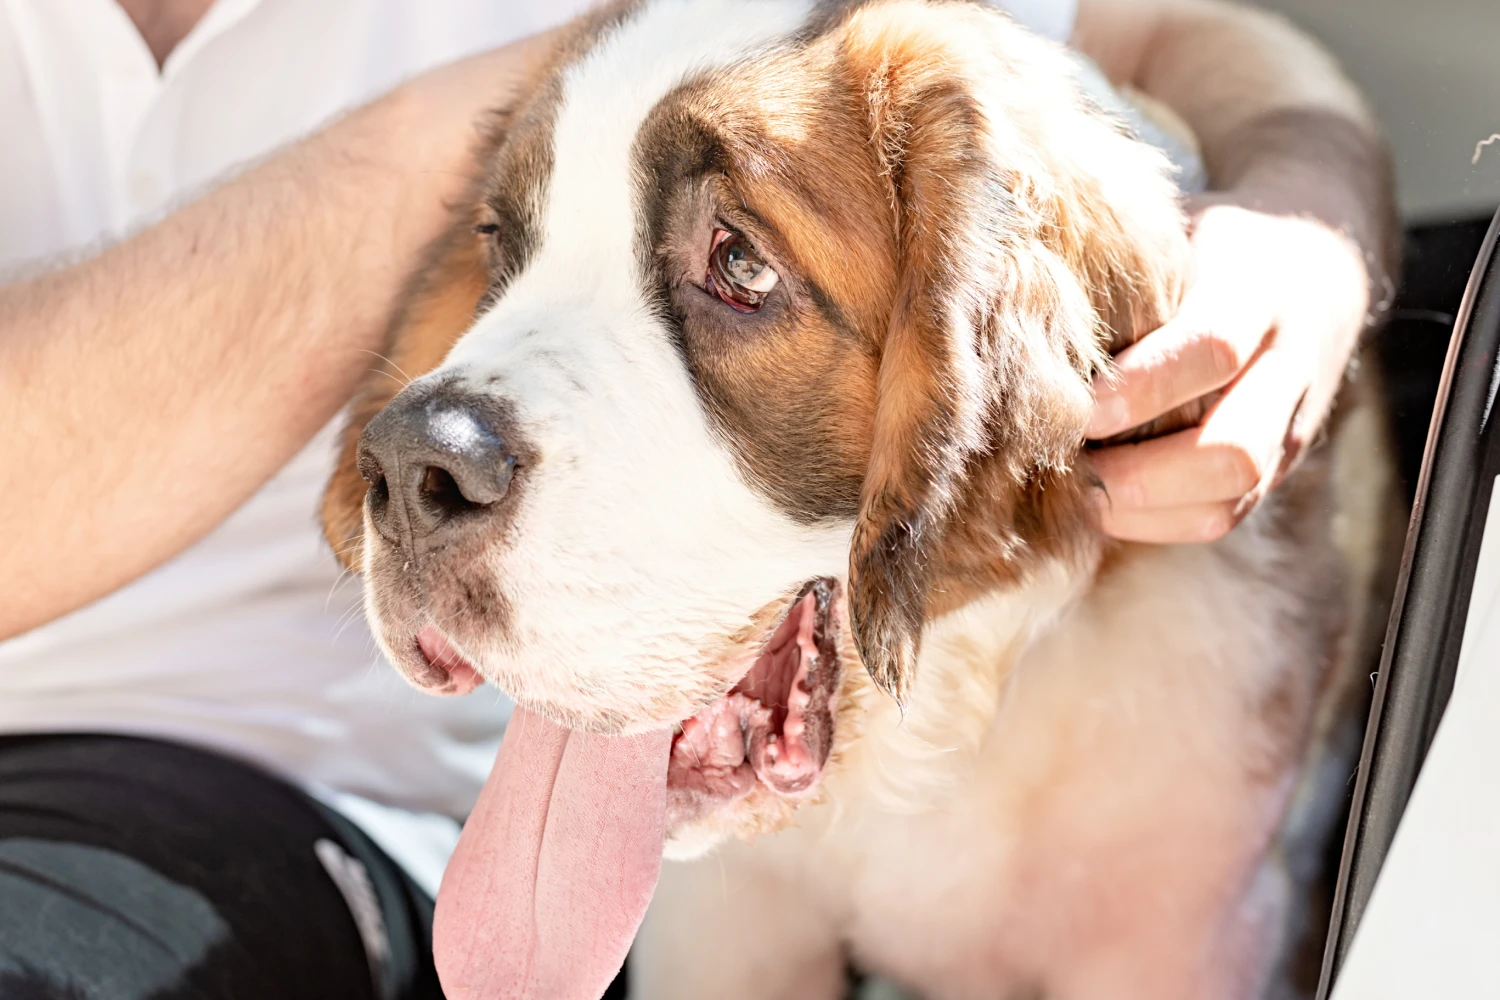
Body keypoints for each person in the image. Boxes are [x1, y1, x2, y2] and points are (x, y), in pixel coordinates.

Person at [0, 0, 1393, 997]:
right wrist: (439, 138)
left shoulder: (869, 97)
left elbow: (1151, 35)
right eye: (507, 244)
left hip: (299, 802)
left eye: (737, 266)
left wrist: (1312, 226)